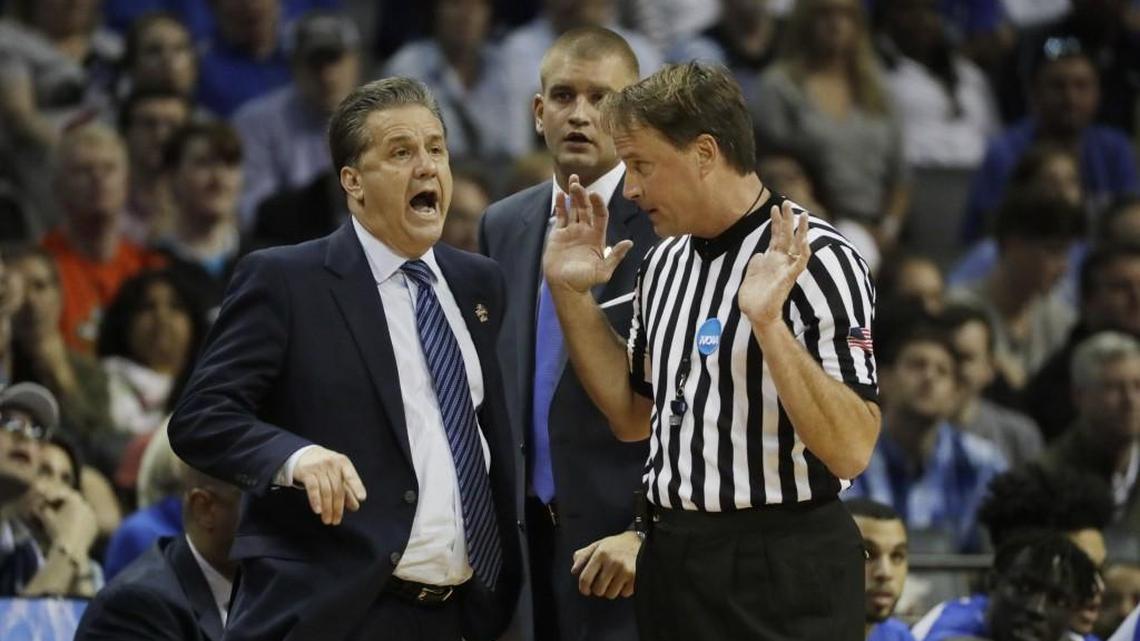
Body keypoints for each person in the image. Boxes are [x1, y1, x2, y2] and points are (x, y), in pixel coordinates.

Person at [168, 77, 521, 641]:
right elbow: (201, 416)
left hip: (462, 614)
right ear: (353, 182)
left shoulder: (479, 283)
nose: (427, 167)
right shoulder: (286, 280)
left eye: (436, 148)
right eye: (401, 152)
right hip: (337, 612)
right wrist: (295, 456)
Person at [543, 61, 878, 640]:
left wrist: (769, 323)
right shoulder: (664, 261)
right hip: (673, 556)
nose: (630, 189)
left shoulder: (816, 258)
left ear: (704, 153)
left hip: (782, 564)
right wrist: (571, 297)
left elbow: (852, 450)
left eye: (642, 165)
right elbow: (630, 417)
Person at [478, 26, 657, 641]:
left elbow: (696, 403)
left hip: (628, 547)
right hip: (522, 542)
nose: (580, 114)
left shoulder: (671, 228)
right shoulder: (502, 225)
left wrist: (648, 530)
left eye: (602, 98)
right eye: (563, 96)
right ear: (537, 111)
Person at [847, 320, 1007, 552]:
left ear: (955, 393)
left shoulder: (983, 464)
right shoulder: (848, 454)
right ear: (884, 379)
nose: (929, 377)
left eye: (942, 371)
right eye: (916, 365)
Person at [41, 122, 167, 354]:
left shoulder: (150, 266)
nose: (98, 178)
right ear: (58, 187)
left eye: (109, 168)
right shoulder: (39, 272)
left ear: (126, 182)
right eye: (83, 170)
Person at [76, 465, 241, 641]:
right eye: (261, 505)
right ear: (204, 509)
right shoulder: (134, 610)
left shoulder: (261, 586)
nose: (274, 516)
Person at [233, 10, 362, 229]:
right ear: (293, 65)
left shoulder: (383, 119)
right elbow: (252, 211)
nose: (327, 76)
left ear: (355, 62)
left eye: (334, 60)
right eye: (315, 63)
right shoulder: (257, 122)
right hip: (291, 245)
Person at [913, 531, 1100, 641]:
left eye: (1058, 600)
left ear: (1075, 611)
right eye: (1024, 589)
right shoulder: (952, 621)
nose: (1037, 609)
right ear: (993, 583)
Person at [1043, 332, 1140, 537]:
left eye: (1138, 386)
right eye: (1114, 388)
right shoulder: (1046, 478)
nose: (1130, 400)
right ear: (1079, 396)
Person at [938, 305, 1044, 467]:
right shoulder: (904, 433)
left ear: (989, 368)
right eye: (945, 355)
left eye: (965, 358)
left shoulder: (1019, 437)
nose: (951, 368)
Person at [848, 499, 916, 641]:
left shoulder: (899, 636)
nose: (885, 573)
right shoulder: (795, 633)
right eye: (867, 554)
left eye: (897, 555)